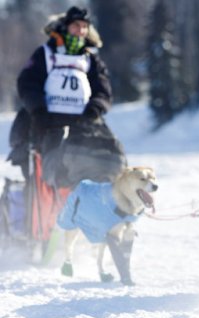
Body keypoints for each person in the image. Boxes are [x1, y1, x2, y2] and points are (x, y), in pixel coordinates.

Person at [14, 6, 125, 189]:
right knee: (57, 166)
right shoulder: (45, 53)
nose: (80, 30)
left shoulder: (91, 60)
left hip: (84, 122)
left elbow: (103, 90)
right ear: (66, 26)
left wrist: (94, 110)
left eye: (84, 26)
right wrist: (39, 110)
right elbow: (27, 84)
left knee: (108, 154)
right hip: (49, 122)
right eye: (76, 26)